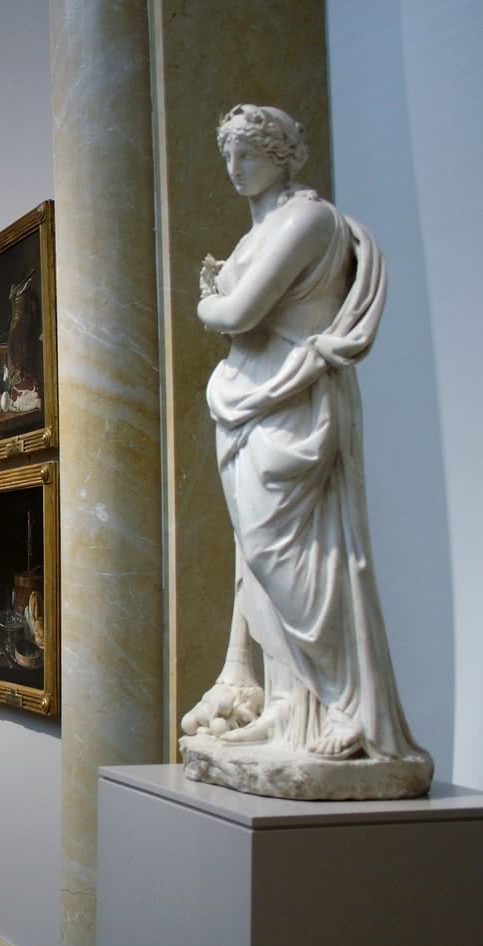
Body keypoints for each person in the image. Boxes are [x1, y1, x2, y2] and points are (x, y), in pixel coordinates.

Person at [180, 105, 428, 765]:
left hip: (293, 402)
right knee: (257, 561)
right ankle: (290, 708)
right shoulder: (260, 230)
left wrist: (209, 302)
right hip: (250, 403)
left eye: (249, 154)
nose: (235, 168)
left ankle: (348, 706)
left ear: (283, 154)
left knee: (301, 560)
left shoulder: (306, 219)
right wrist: (222, 302)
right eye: (228, 155)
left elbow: (238, 311)